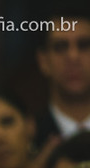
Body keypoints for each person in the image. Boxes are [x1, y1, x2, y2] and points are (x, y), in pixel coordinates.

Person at [33, 8, 90, 153]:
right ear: (43, 60)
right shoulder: (28, 141)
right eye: (60, 47)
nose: (73, 57)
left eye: (84, 45)